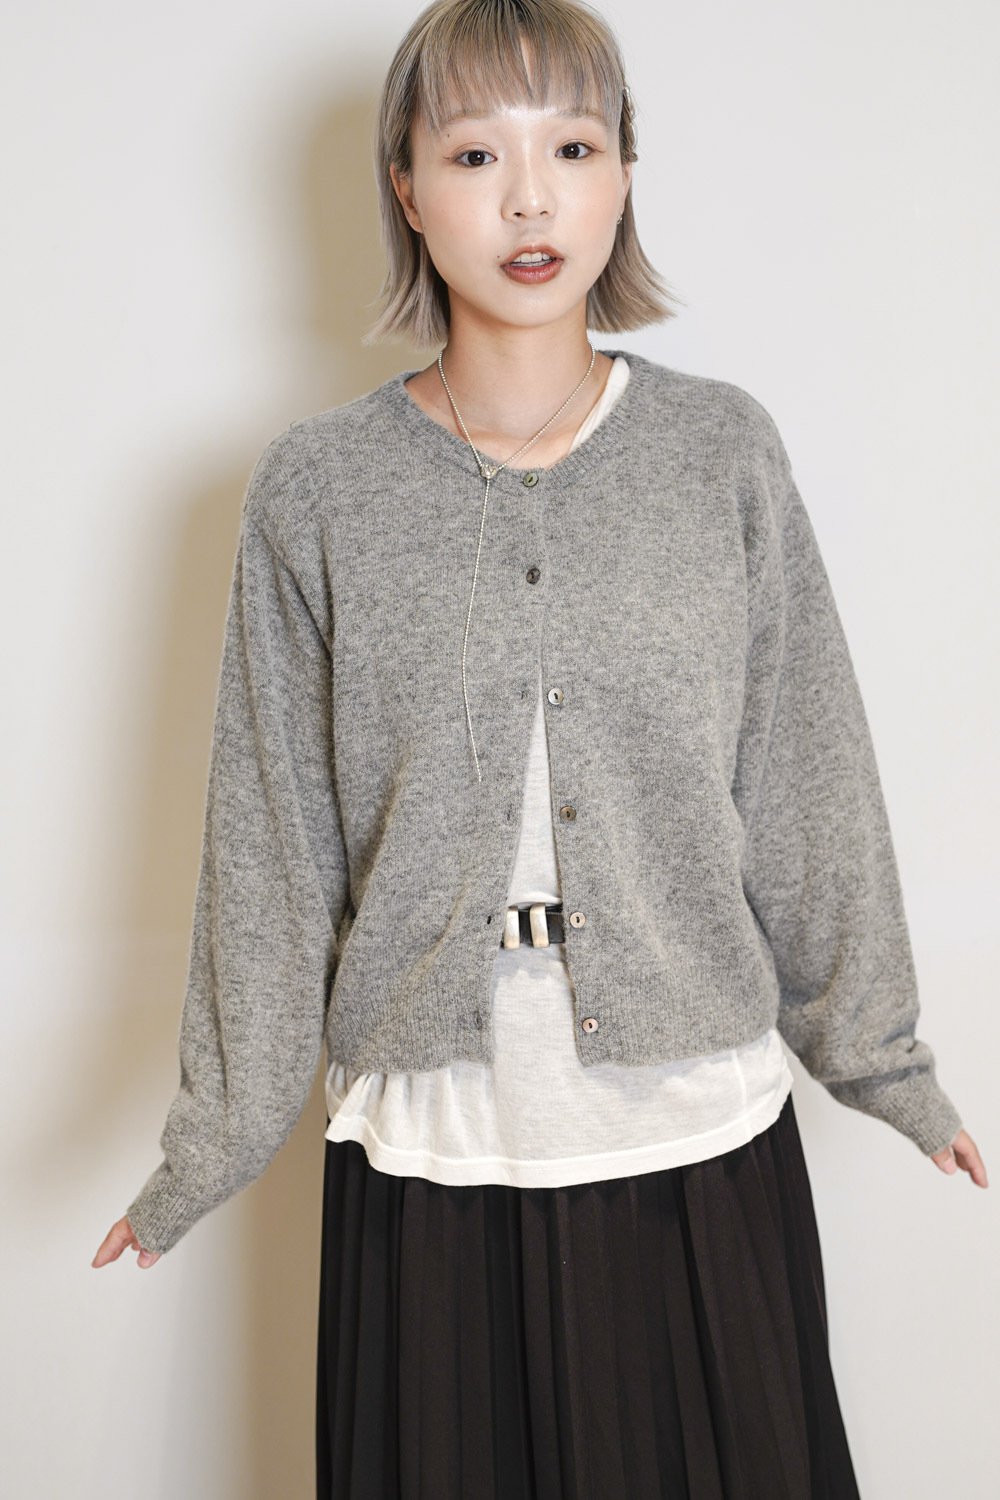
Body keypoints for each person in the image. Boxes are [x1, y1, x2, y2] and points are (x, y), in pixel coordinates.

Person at [93, 0, 988, 1495]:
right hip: (434, 1161)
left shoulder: (721, 454)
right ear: (406, 184)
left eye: (572, 148)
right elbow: (270, 846)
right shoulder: (316, 492)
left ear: (623, 174)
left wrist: (886, 1063)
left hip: (699, 1147)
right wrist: (210, 1146)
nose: (529, 200)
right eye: (474, 154)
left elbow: (805, 773)